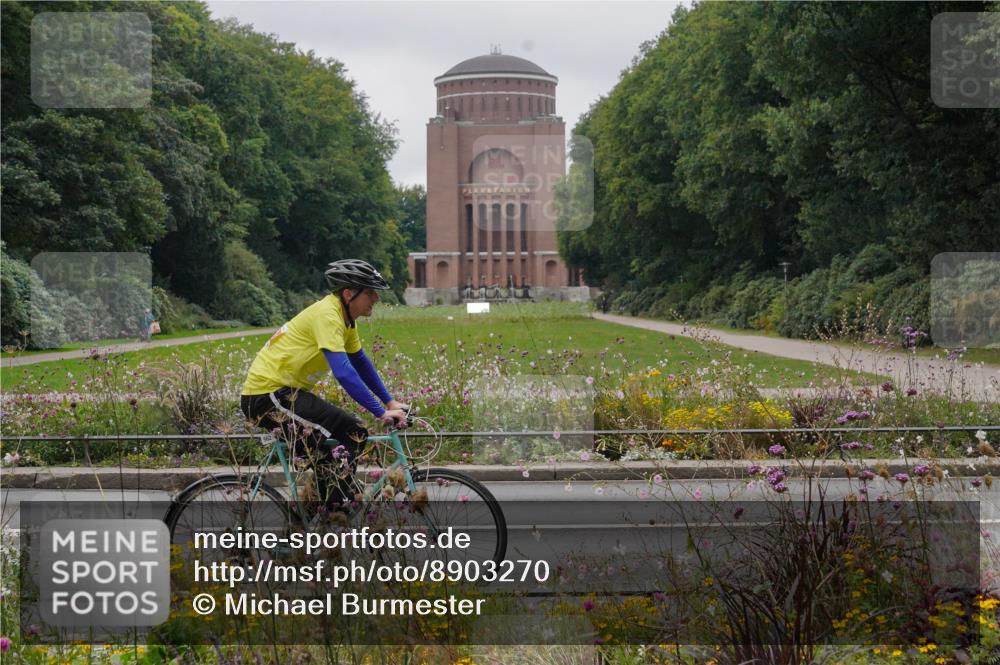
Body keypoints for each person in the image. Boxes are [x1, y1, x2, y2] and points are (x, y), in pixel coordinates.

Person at [240, 259, 409, 512]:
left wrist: (390, 402)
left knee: (347, 440)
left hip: (287, 394)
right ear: (349, 294)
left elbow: (360, 362)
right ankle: (330, 514)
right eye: (370, 292)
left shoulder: (345, 318)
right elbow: (344, 372)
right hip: (267, 395)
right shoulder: (328, 315)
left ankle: (315, 513)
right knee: (353, 432)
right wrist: (380, 412)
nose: (376, 298)